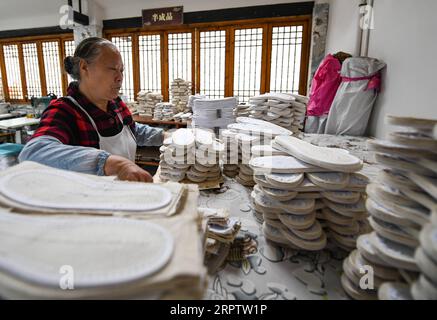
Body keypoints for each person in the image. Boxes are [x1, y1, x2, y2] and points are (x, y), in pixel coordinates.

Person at [19, 37, 163, 182]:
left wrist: (164, 136)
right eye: (112, 69)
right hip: (87, 201)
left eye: (121, 70)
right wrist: (111, 163)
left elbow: (133, 131)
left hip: (122, 196)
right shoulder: (64, 111)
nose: (120, 77)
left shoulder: (115, 104)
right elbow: (32, 153)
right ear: (84, 67)